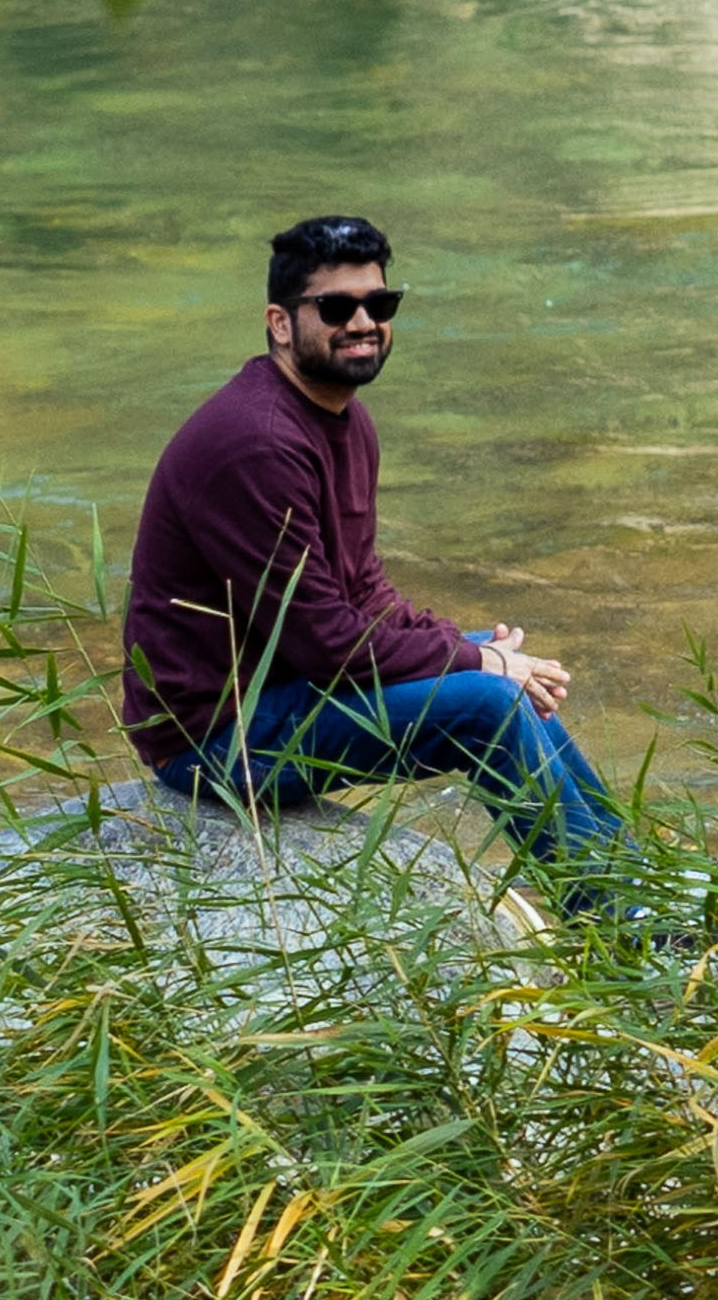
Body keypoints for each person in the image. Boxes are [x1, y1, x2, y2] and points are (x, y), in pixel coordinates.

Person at [120, 212, 628, 891]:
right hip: (216, 741)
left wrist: (474, 649)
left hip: (283, 689)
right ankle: (623, 925)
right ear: (280, 323)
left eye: (378, 303)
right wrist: (477, 660)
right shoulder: (257, 444)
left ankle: (637, 882)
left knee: (513, 684)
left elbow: (362, 594)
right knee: (491, 702)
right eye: (336, 307)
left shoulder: (342, 419)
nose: (363, 321)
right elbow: (328, 643)